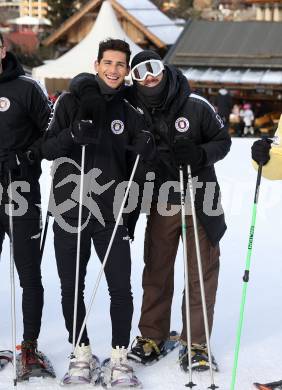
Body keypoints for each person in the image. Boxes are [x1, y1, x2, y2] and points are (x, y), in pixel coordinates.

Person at [41, 39, 154, 387]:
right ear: (97, 63)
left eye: (120, 65)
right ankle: (81, 353)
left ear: (127, 70)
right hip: (69, 208)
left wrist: (146, 150)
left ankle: (119, 358)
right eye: (108, 62)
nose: (113, 70)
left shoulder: (132, 109)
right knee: (71, 287)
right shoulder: (70, 102)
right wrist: (71, 136)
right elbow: (45, 148)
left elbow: (140, 167)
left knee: (120, 287)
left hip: (111, 213)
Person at [125, 50, 231, 372]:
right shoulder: (133, 107)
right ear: (135, 79)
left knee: (201, 270)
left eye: (153, 68)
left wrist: (199, 154)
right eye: (140, 72)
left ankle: (195, 342)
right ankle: (152, 336)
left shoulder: (194, 104)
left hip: (200, 193)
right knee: (157, 267)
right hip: (162, 196)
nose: (149, 76)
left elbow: (223, 141)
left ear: (164, 68)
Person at [0, 33, 52, 376]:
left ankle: (29, 348)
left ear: (3, 49)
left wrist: (29, 155)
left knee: (28, 273)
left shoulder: (26, 87)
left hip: (20, 189)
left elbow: (51, 130)